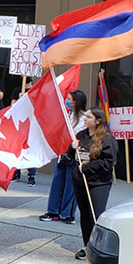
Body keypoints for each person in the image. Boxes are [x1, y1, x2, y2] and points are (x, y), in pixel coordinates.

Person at [61, 107, 117, 260]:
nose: (85, 119)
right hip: (80, 181)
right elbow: (70, 158)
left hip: (98, 183)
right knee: (85, 214)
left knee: (95, 215)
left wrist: (87, 167)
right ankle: (87, 245)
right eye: (85, 116)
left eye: (89, 117)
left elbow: (108, 163)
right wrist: (71, 148)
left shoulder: (107, 139)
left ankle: (98, 247)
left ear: (98, 120)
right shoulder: (81, 135)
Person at [40, 90, 86, 224]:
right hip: (62, 152)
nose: (67, 101)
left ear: (76, 102)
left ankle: (68, 213)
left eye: (69, 99)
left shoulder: (84, 118)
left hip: (75, 154)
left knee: (71, 184)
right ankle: (53, 211)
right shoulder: (67, 115)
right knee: (57, 181)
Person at [10, 79, 36, 186]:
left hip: (32, 124)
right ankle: (16, 172)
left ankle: (31, 174)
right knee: (18, 148)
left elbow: (37, 106)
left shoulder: (36, 90)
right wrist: (20, 100)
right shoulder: (17, 90)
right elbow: (12, 105)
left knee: (30, 149)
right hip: (20, 123)